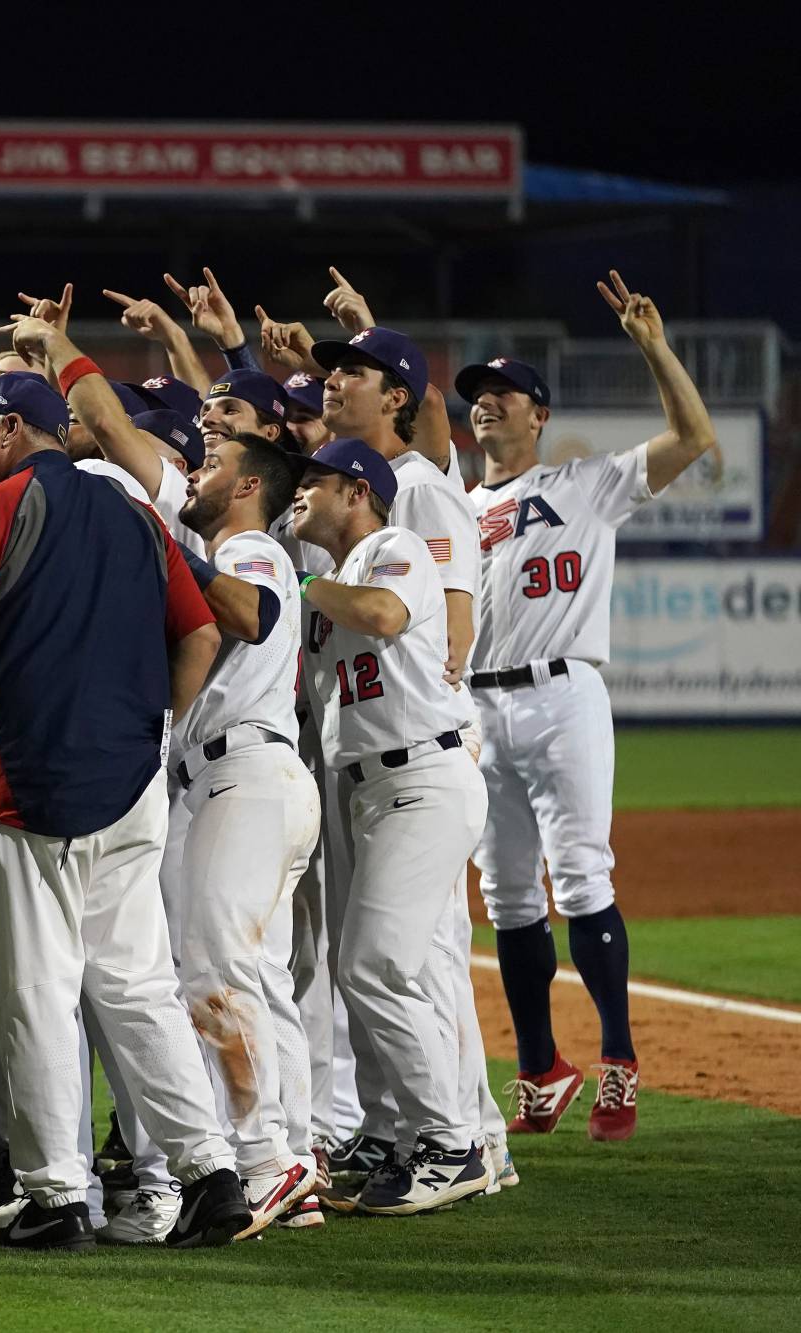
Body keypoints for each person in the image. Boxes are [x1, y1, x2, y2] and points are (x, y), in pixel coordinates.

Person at [0, 362, 248, 1252]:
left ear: (14, 428)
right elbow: (201, 628)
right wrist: (157, 729)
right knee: (135, 984)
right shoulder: (135, 513)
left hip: (31, 784)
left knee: (33, 990)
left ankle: (57, 1192)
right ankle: (209, 1171)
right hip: (132, 782)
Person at [464, 272, 716, 1144]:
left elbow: (693, 435)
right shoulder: (458, 511)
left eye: (503, 394)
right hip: (478, 711)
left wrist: (654, 346)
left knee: (580, 877)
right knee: (505, 898)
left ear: (538, 415)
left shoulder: (588, 484)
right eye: (477, 397)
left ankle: (617, 1059)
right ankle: (540, 1068)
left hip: (564, 693)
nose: (486, 405)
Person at [289, 439, 491, 1215]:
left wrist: (305, 583)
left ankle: (451, 1142)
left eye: (315, 481)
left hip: (424, 777)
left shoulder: (391, 546)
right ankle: (426, 1137)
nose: (301, 491)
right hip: (376, 789)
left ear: (357, 490)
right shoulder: (336, 578)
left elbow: (383, 614)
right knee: (377, 964)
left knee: (375, 965)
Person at [162, 431, 323, 1236]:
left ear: (251, 483)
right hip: (256, 778)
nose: (197, 470)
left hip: (246, 774)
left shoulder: (252, 548)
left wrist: (169, 549)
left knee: (215, 971)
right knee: (256, 976)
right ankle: (295, 1160)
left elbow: (252, 613)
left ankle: (266, 1157)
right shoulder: (233, 549)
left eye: (213, 463)